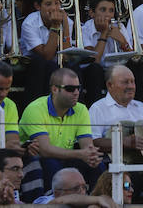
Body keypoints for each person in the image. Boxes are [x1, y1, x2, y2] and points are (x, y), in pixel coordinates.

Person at [19, 67, 102, 200]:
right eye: (70, 89)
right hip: (34, 158)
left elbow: (87, 146)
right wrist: (81, 154)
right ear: (54, 89)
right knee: (51, 162)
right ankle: (51, 201)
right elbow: (45, 150)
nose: (76, 92)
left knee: (96, 165)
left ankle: (96, 201)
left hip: (65, 157)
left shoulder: (81, 109)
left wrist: (92, 156)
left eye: (78, 88)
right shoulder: (35, 109)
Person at [89, 64, 143, 160]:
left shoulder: (142, 108)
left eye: (133, 82)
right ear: (110, 85)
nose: (131, 86)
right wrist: (122, 142)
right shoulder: (98, 108)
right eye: (125, 82)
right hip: (114, 164)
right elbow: (93, 142)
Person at [32, 166, 115, 205]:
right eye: (76, 188)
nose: (83, 192)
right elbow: (57, 202)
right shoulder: (43, 201)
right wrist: (98, 199)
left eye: (84, 187)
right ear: (57, 193)